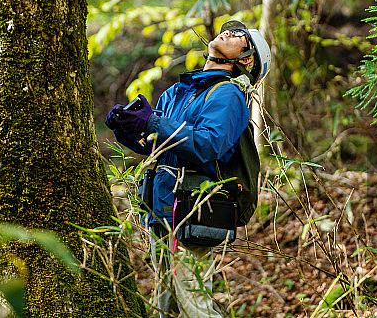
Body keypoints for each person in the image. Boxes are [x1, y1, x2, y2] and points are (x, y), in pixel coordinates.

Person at [105, 20, 271, 318]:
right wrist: (126, 128)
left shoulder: (228, 96)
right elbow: (155, 145)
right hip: (160, 211)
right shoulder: (178, 92)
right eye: (231, 29)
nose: (229, 32)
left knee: (195, 308)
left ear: (245, 60)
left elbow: (208, 146)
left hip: (189, 213)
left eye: (240, 36)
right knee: (167, 306)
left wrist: (154, 122)